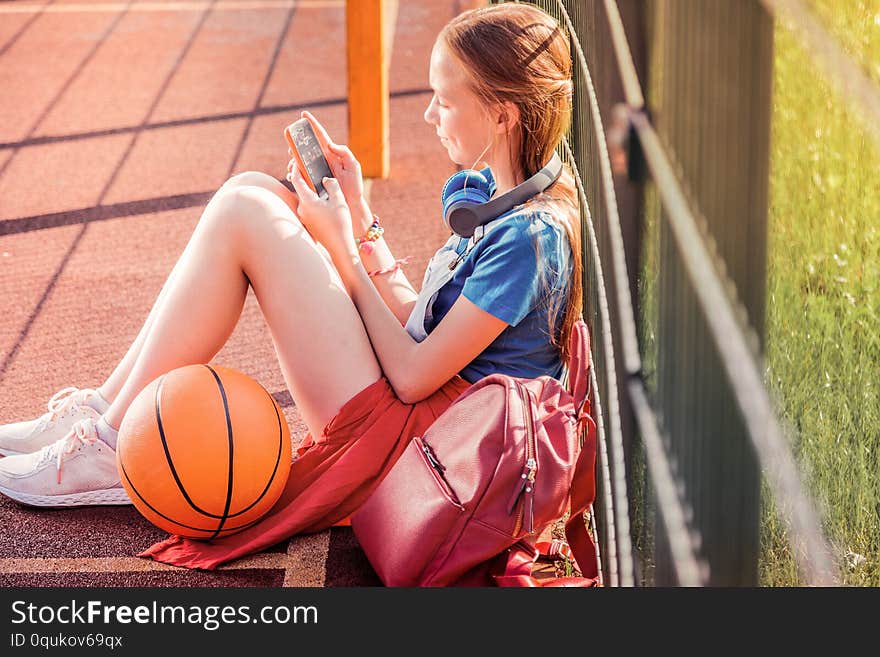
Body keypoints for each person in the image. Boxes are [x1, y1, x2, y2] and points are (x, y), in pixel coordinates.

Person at [0, 3, 583, 569]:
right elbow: (422, 322)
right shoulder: (505, 199)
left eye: (445, 101)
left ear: (503, 114)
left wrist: (343, 251)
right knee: (254, 191)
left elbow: (411, 376)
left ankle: (107, 446)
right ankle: (104, 413)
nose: (430, 114)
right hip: (428, 416)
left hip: (429, 454)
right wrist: (358, 216)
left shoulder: (529, 239)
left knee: (245, 215)